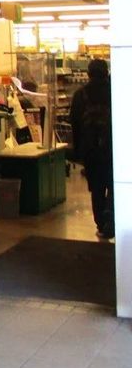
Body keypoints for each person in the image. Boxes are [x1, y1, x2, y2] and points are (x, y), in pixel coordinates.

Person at [70, 59, 113, 239]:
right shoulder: (115, 91)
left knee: (96, 188)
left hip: (91, 151)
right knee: (113, 184)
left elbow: (75, 123)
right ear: (106, 72)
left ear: (89, 74)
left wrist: (78, 150)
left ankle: (101, 224)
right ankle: (111, 217)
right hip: (112, 149)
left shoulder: (81, 95)